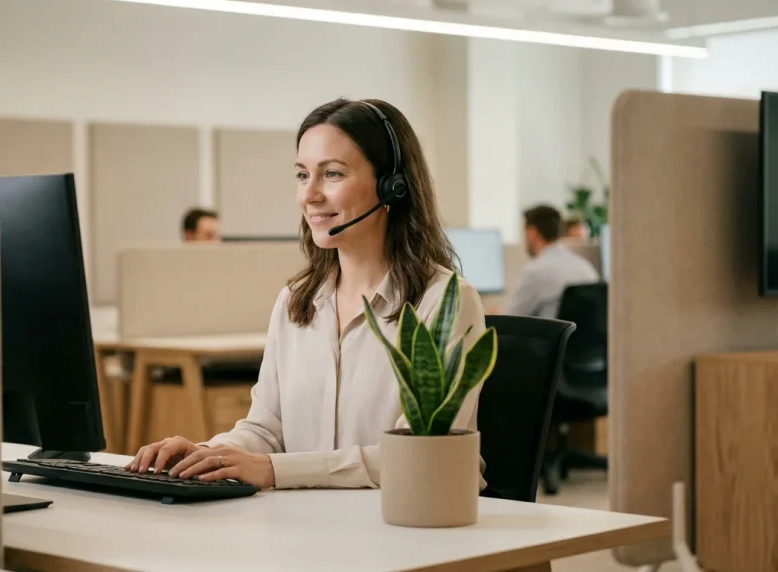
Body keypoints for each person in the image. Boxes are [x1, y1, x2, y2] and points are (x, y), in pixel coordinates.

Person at [125, 98, 487, 490]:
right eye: (301, 175)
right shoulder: (297, 302)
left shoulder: (444, 302)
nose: (309, 195)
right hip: (306, 527)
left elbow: (421, 453)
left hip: (405, 529)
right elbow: (266, 430)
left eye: (331, 174)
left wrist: (274, 470)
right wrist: (207, 454)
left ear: (392, 186)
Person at [503, 204, 599, 319]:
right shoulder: (585, 267)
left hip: (551, 337)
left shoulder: (534, 272)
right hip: (586, 337)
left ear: (532, 233)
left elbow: (509, 320)